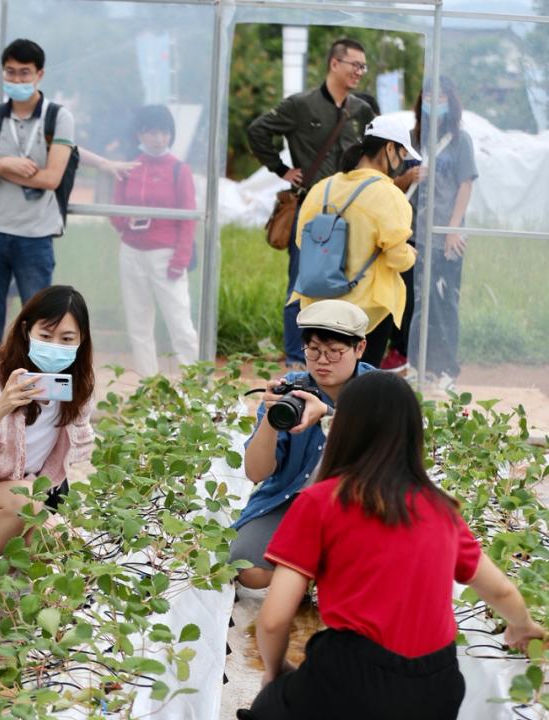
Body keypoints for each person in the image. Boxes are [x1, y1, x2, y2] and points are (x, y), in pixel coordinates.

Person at [240, 372, 545, 720]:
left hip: (352, 675)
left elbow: (273, 620)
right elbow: (501, 590)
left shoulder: (322, 502)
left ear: (342, 428)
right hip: (437, 683)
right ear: (413, 435)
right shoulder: (441, 507)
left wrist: (276, 672)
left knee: (270, 707)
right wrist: (523, 625)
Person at [0, 285, 95, 626]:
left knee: (58, 541)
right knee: (24, 497)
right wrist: (2, 406)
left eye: (67, 339)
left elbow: (75, 454)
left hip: (31, 499)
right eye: (46, 335)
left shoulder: (78, 386)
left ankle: (10, 590)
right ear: (26, 330)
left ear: (81, 341)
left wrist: (75, 410)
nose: (55, 347)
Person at [247, 38, 377, 368]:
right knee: (301, 285)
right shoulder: (301, 105)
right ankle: (296, 358)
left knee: (345, 286)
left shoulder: (361, 111)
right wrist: (282, 170)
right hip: (311, 213)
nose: (359, 72)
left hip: (351, 214)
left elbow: (374, 153)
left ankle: (334, 355)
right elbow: (257, 131)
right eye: (355, 65)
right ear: (334, 64)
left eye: (363, 67)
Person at [231, 300, 374, 589]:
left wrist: (329, 415)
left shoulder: (380, 390)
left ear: (359, 348)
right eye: (313, 350)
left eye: (334, 351)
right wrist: (271, 419)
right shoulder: (292, 390)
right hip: (293, 501)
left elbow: (390, 449)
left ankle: (313, 565)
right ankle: (315, 566)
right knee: (248, 569)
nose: (322, 361)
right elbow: (256, 473)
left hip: (358, 505)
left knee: (373, 570)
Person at [0, 39, 76, 361]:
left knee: (40, 326)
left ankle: (35, 388)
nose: (17, 79)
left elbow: (51, 179)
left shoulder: (58, 118)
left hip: (35, 237)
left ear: (39, 74)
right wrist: (5, 164)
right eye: (10, 72)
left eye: (24, 73)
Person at [289, 116, 420, 368]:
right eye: (402, 154)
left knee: (323, 375)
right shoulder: (389, 195)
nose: (402, 163)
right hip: (366, 311)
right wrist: (410, 254)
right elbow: (397, 258)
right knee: (359, 382)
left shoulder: (323, 187)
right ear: (389, 148)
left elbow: (302, 240)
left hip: (318, 305)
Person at [396, 78, 478, 391]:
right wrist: (409, 175)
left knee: (445, 302)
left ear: (451, 100)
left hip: (446, 235)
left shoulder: (460, 140)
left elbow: (465, 185)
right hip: (414, 235)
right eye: (429, 95)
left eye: (441, 96)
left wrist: (453, 228)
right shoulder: (413, 139)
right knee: (418, 302)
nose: (435, 101)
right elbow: (394, 182)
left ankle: (447, 370)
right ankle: (419, 366)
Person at [110, 104, 199, 376]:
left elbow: (189, 218)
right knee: (138, 323)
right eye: (152, 132)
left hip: (166, 254)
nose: (159, 139)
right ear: (139, 133)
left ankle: (195, 386)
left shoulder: (179, 170)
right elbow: (115, 209)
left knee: (180, 323)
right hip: (131, 251)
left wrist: (180, 258)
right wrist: (127, 223)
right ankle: (148, 385)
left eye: (164, 132)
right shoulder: (129, 167)